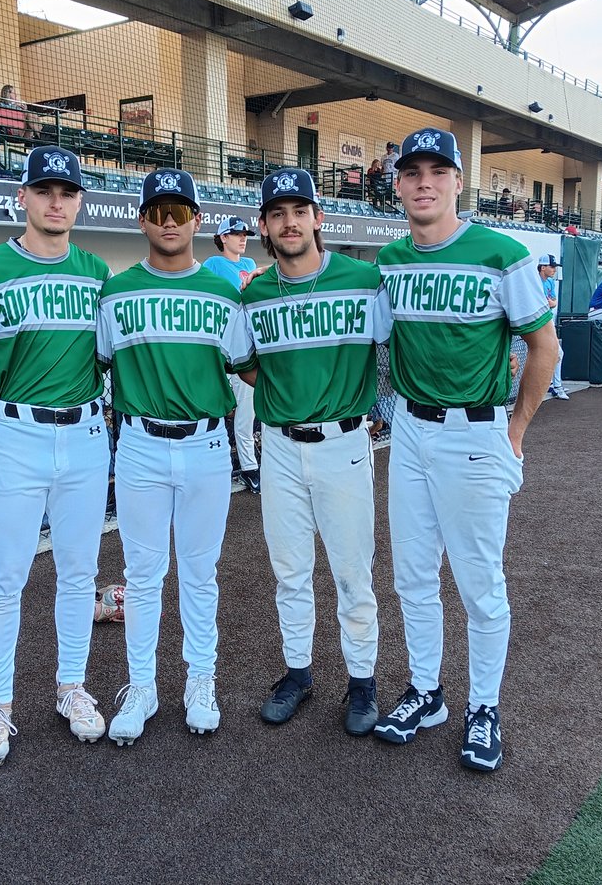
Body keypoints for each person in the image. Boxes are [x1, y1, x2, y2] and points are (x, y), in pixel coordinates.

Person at [371, 127, 558, 772]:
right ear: (397, 185)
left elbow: (545, 348)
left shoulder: (501, 253)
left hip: (476, 431)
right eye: (412, 172)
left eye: (437, 171)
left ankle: (484, 706)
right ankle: (427, 692)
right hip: (412, 432)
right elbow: (380, 347)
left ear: (456, 182)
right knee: (414, 577)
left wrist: (515, 429)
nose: (424, 182)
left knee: (480, 584)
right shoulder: (391, 263)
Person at [0, 145, 112, 768]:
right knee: (5, 577)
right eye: (44, 190)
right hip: (15, 436)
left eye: (67, 192)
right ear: (22, 196)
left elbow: (111, 356)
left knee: (79, 573)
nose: (55, 201)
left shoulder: (98, 272)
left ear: (78, 200)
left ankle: (71, 685)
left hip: (86, 435)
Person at [96, 168, 254, 746]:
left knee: (200, 572)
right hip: (139, 443)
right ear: (142, 218)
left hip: (208, 443)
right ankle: (142, 684)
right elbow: (100, 363)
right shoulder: (116, 291)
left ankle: (200, 680)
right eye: (158, 210)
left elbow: (247, 366)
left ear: (197, 219)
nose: (168, 220)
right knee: (142, 575)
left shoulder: (222, 292)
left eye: (179, 210)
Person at [233, 168, 385, 737]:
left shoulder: (364, 280)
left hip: (343, 441)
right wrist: (280, 393)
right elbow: (246, 363)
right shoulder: (256, 292)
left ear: (318, 217)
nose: (289, 222)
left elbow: (393, 343)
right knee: (290, 570)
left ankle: (363, 681)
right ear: (265, 227)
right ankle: (298, 672)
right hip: (279, 444)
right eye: (277, 214)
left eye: (299, 211)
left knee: (352, 572)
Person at [202, 215, 261, 494]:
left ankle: (250, 468)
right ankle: (217, 467)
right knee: (213, 413)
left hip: (244, 347)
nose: (243, 239)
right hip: (218, 350)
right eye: (237, 234)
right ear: (223, 237)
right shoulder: (213, 264)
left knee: (245, 416)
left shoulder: (250, 265)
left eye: (245, 234)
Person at [537, 254, 569, 400]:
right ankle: (557, 386)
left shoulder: (549, 281)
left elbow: (554, 302)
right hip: (537, 322)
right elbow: (539, 303)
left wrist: (549, 303)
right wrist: (548, 303)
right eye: (552, 267)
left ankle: (552, 384)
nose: (554, 270)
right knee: (557, 353)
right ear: (543, 267)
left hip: (547, 320)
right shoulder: (535, 281)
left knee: (556, 354)